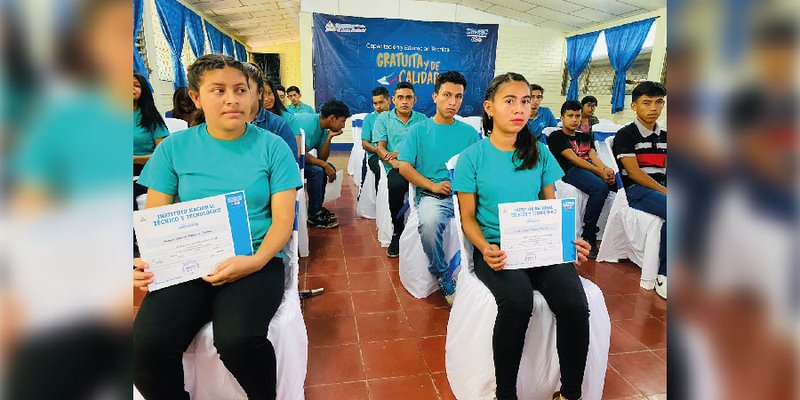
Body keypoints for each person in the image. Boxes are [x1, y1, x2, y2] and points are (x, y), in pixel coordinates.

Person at [132, 54, 302, 400]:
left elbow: (284, 222)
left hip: (254, 259)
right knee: (145, 348)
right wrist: (145, 260)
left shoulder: (273, 148)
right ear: (196, 97)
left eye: (241, 89)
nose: (232, 99)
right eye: (218, 90)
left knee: (238, 340)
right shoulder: (174, 149)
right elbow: (155, 220)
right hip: (187, 263)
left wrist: (255, 261)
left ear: (253, 95)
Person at [453, 72, 591, 400]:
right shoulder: (472, 158)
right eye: (510, 101)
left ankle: (570, 393)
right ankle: (506, 393)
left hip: (540, 245)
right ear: (489, 107)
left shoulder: (540, 152)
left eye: (525, 101)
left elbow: (551, 206)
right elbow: (468, 218)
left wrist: (568, 241)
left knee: (574, 304)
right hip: (497, 248)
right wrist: (485, 248)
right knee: (517, 302)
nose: (519, 109)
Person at [397, 71, 479, 305]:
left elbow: (478, 168)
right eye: (447, 95)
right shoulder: (419, 130)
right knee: (430, 224)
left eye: (458, 97)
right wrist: (431, 185)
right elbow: (404, 167)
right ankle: (442, 274)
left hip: (466, 194)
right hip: (435, 195)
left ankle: (483, 272)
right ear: (435, 97)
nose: (453, 102)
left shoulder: (469, 133)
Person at [612, 81, 667, 299]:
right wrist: (665, 192)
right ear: (634, 106)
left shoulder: (665, 135)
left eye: (659, 102)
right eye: (647, 103)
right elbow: (634, 174)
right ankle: (664, 275)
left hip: (658, 188)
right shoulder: (626, 135)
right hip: (636, 191)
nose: (653, 108)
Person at [547, 100, 615, 258]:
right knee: (600, 188)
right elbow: (574, 159)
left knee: (616, 185)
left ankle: (613, 233)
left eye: (577, 116)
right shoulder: (556, 136)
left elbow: (593, 155)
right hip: (570, 171)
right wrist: (599, 172)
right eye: (570, 116)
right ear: (562, 118)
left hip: (590, 169)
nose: (574, 119)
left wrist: (605, 169)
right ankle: (588, 233)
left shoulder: (585, 135)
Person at [373, 81, 427, 257]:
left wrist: (400, 154)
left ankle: (424, 229)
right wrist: (395, 161)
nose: (405, 101)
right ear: (393, 100)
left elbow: (424, 147)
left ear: (415, 100)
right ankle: (398, 231)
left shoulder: (422, 120)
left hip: (417, 165)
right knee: (395, 186)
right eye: (401, 98)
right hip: (395, 166)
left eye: (408, 98)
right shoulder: (384, 118)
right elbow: (380, 147)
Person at [295, 99, 351, 228]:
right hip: (288, 161)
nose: (343, 126)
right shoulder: (308, 124)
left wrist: (329, 137)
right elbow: (301, 154)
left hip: (299, 158)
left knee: (326, 167)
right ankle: (314, 216)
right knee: (317, 171)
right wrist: (324, 166)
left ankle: (317, 208)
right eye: (342, 121)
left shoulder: (324, 129)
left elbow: (322, 157)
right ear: (332, 118)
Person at [241, 62, 298, 160]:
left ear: (259, 92)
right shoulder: (225, 124)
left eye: (243, 89)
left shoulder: (278, 126)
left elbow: (289, 164)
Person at [133, 72, 169, 210]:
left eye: (136, 85)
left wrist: (134, 159)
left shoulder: (151, 117)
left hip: (145, 171)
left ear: (143, 90)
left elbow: (163, 155)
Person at [361, 86, 391, 191]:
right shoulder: (369, 119)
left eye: (381, 102)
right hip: (375, 156)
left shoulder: (396, 117)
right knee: (381, 171)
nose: (378, 106)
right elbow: (365, 144)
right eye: (375, 103)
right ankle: (381, 199)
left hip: (395, 154)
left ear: (389, 101)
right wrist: (381, 152)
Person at [262, 79, 301, 157]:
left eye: (269, 93)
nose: (266, 99)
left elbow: (297, 153)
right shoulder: (252, 120)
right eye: (262, 95)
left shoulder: (289, 119)